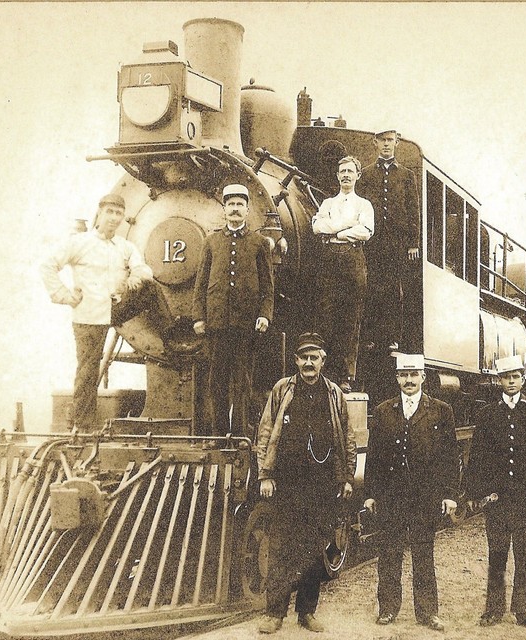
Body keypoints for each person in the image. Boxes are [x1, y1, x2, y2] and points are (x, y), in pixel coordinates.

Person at [255, 332, 357, 634]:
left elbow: (347, 437)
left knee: (315, 548)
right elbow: (265, 431)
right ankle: (275, 613)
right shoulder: (282, 389)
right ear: (296, 360)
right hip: (287, 480)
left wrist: (346, 477)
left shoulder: (335, 393)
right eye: (304, 357)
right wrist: (266, 474)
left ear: (323, 361)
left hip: (322, 482)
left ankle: (307, 612)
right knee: (281, 546)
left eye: (315, 357)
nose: (309, 363)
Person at [41, 193, 156, 431]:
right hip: (88, 316)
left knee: (150, 288)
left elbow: (144, 270)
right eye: (110, 212)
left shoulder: (124, 246)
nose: (114, 218)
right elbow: (48, 266)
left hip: (114, 311)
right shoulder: (79, 243)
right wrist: (64, 296)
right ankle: (83, 426)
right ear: (99, 213)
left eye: (118, 213)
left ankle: (172, 335)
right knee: (88, 370)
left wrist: (135, 275)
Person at [362, 353, 459, 632]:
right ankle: (388, 609)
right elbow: (375, 457)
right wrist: (370, 493)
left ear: (423, 377)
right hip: (391, 497)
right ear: (396, 378)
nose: (408, 380)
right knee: (389, 553)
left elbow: (450, 457)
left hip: (424, 497)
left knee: (423, 554)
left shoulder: (441, 410)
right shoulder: (383, 411)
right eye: (403, 375)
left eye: (413, 374)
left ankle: (428, 613)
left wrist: (450, 494)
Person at [464, 354, 526, 630]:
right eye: (506, 377)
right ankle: (493, 609)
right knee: (497, 554)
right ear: (499, 381)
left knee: (524, 554)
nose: (511, 381)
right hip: (497, 500)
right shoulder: (487, 414)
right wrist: (473, 493)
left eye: (516, 377)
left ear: (523, 379)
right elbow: (477, 456)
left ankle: (523, 611)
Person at [192, 184, 274, 435]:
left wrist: (264, 314)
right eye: (231, 204)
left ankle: (239, 433)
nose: (235, 209)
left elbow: (267, 286)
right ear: (224, 209)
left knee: (242, 380)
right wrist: (199, 317)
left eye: (240, 205)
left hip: (246, 322)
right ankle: (218, 433)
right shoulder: (212, 241)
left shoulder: (259, 243)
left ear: (247, 210)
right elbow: (201, 282)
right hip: (217, 322)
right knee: (217, 380)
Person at [312, 155, 374, 392]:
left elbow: (366, 231)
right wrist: (346, 227)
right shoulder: (327, 203)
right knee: (325, 315)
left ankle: (346, 375)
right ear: (337, 176)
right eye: (342, 171)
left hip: (352, 260)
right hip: (329, 260)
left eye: (350, 171)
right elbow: (317, 226)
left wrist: (333, 230)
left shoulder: (364, 205)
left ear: (358, 175)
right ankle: (323, 372)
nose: (346, 175)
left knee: (350, 319)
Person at [358, 129, 420, 352]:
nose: (386, 144)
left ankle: (392, 336)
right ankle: (371, 336)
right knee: (372, 287)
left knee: (394, 289)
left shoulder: (406, 175)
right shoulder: (365, 174)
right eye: (382, 140)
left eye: (390, 141)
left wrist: (413, 242)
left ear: (396, 143)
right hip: (373, 240)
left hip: (397, 242)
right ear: (375, 143)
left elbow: (413, 210)